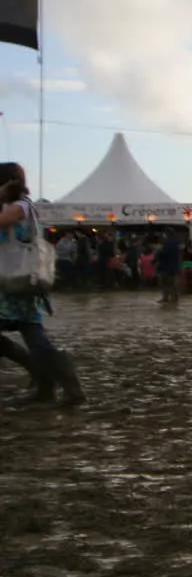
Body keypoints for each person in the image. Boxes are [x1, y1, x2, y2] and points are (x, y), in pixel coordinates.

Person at [0, 162, 85, 406]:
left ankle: (53, 384)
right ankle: (57, 386)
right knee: (36, 339)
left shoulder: (22, 205)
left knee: (37, 341)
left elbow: (7, 220)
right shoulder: (15, 206)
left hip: (18, 284)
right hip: (13, 284)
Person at [156, 228, 182, 305]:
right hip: (174, 266)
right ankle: (173, 298)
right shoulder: (176, 242)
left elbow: (165, 254)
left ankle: (167, 298)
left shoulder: (168, 243)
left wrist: (159, 252)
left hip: (166, 266)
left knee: (166, 283)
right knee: (173, 283)